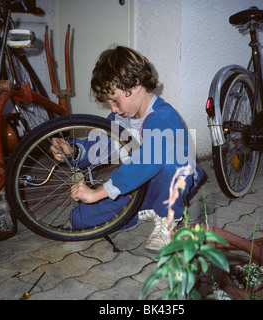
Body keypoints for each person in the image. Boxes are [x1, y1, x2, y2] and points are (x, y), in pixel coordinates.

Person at [50, 46, 204, 253]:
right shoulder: (121, 118)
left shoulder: (163, 117)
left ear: (136, 84)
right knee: (80, 219)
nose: (112, 109)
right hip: (140, 184)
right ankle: (145, 209)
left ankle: (168, 221)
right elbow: (102, 146)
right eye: (109, 102)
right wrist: (73, 151)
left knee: (168, 164)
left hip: (170, 180)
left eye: (115, 100)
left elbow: (146, 162)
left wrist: (98, 194)